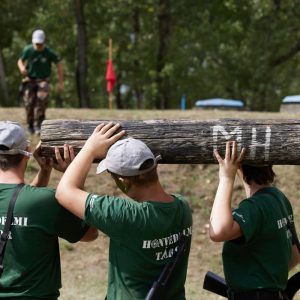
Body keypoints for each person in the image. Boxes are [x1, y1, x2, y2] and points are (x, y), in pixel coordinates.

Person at [56, 122, 193, 300]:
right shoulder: (182, 207)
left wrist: (89, 149)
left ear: (123, 180)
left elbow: (64, 192)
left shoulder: (126, 215)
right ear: (154, 166)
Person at [0, 121, 98, 299]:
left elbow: (13, 206)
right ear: (27, 153)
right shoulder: (46, 201)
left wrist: (44, 173)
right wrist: (75, 181)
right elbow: (90, 234)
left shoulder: (36, 201)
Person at [209, 141, 300, 300]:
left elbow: (218, 231)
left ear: (238, 165)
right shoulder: (279, 199)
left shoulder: (255, 207)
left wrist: (226, 178)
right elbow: (295, 256)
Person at [17, 29, 64, 134]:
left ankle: (39, 125)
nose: (38, 46)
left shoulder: (49, 52)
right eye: (36, 44)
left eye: (40, 44)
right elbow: (20, 60)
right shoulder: (28, 50)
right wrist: (22, 68)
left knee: (42, 101)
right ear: (33, 42)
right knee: (29, 103)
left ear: (44, 42)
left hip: (43, 80)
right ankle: (30, 125)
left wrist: (61, 83)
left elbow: (59, 65)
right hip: (30, 80)